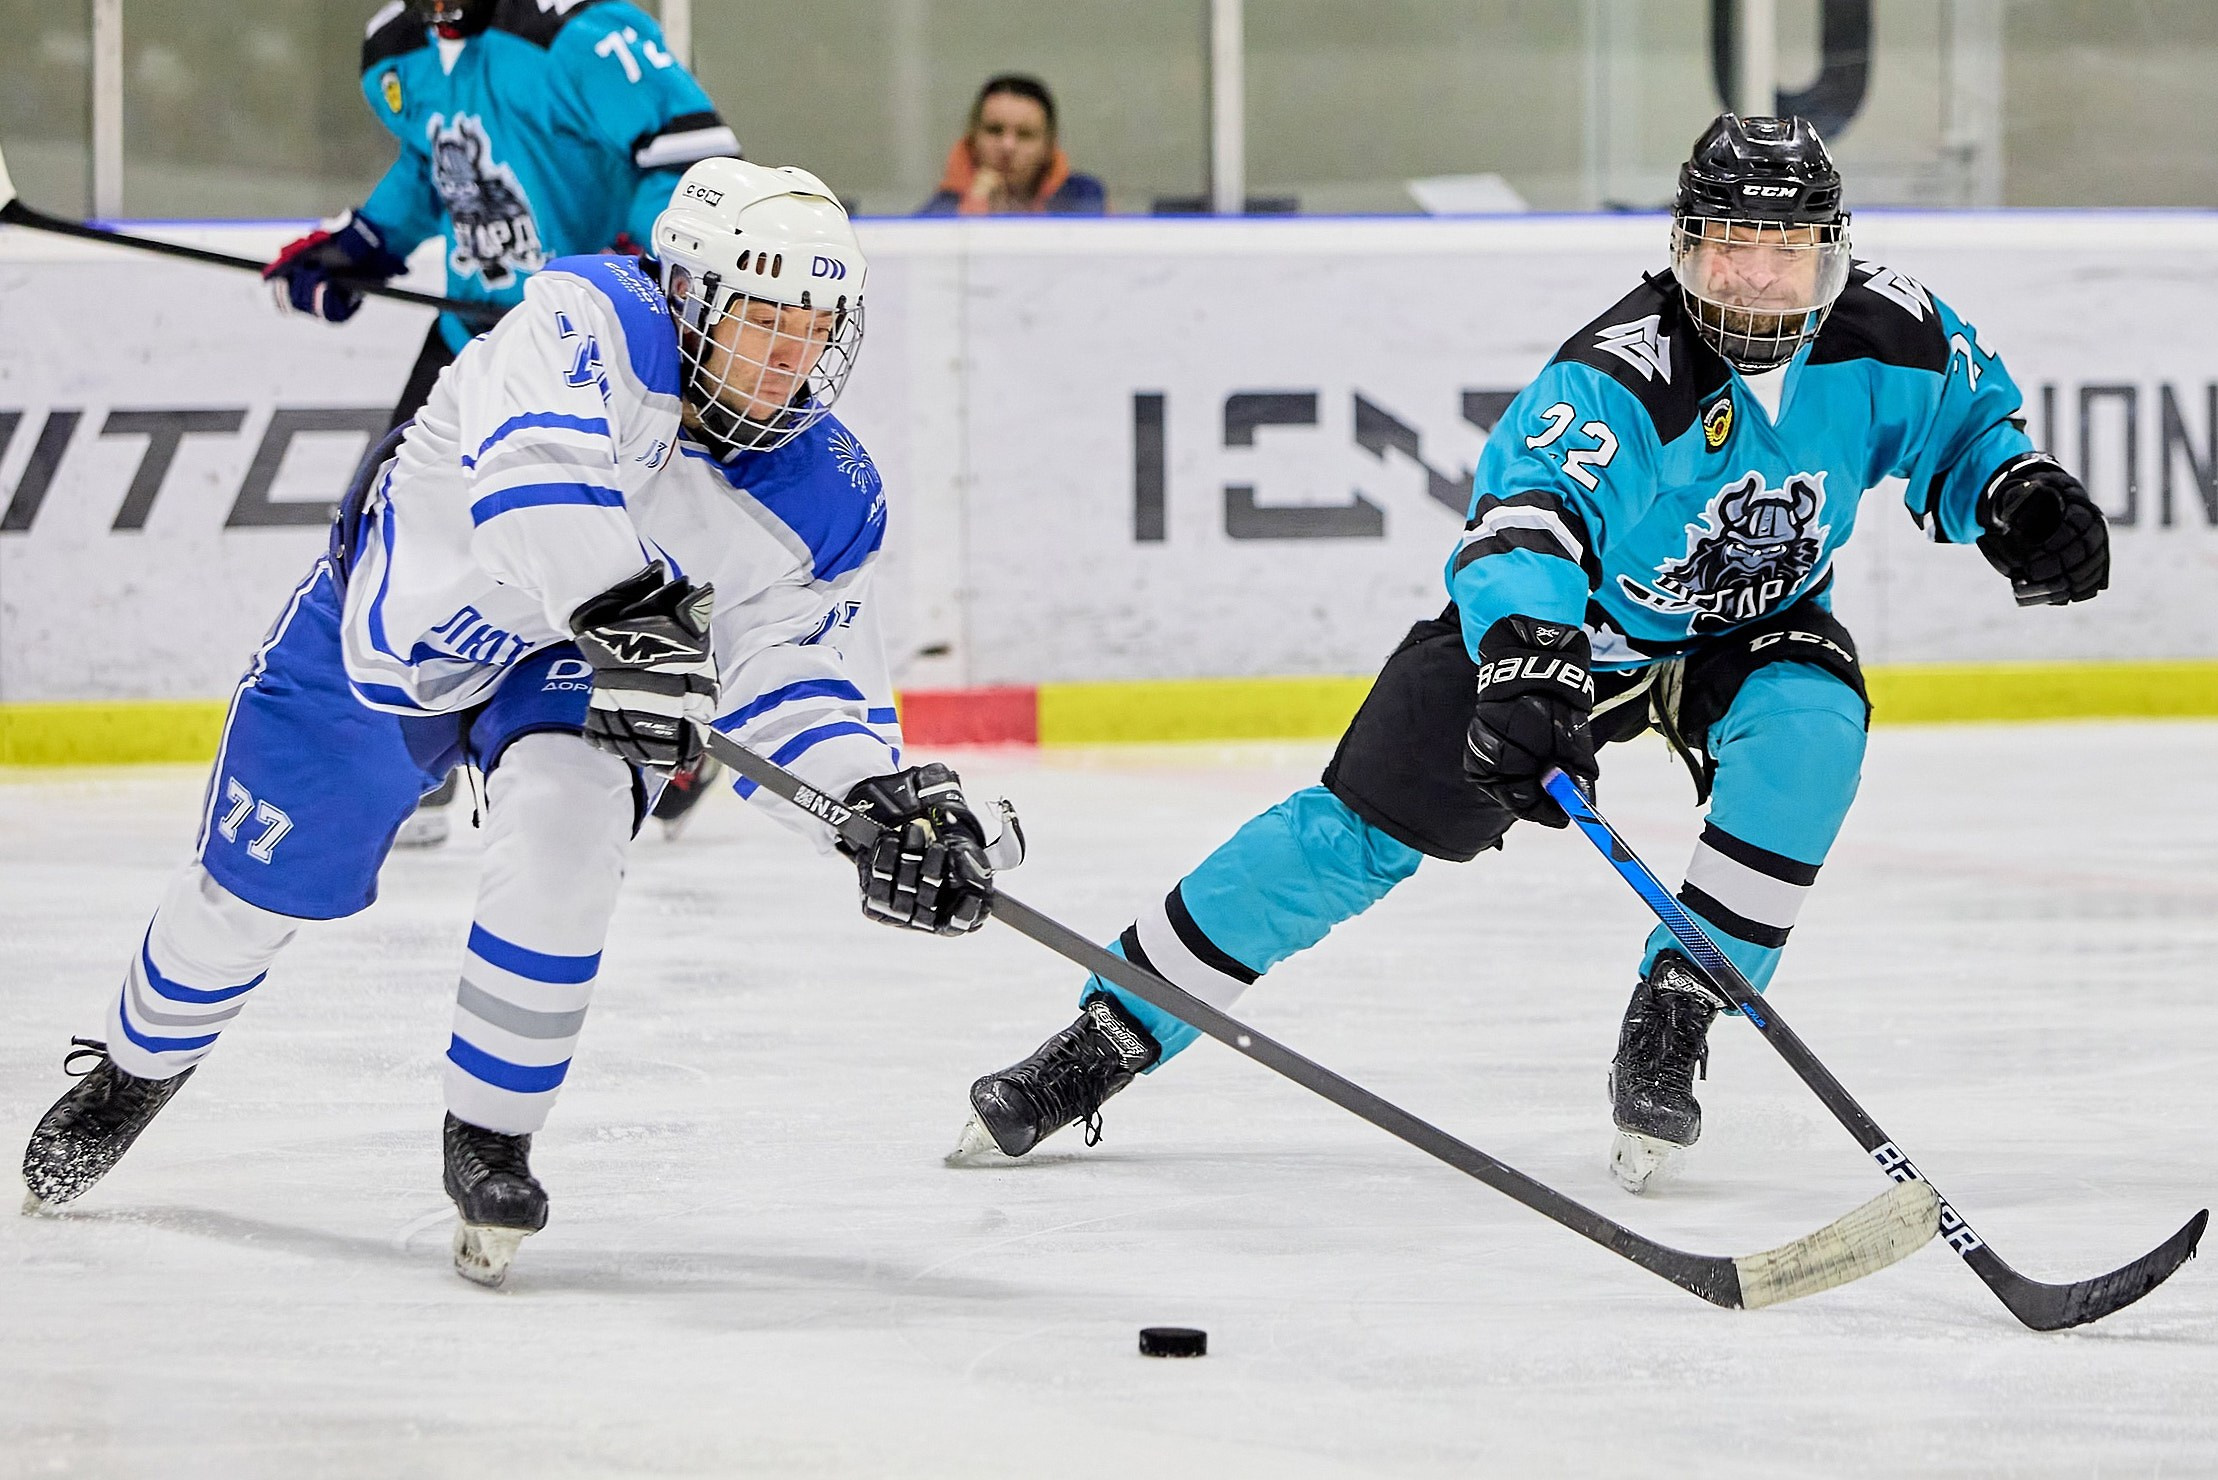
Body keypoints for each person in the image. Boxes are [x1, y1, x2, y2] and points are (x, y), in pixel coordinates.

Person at [951, 115, 2111, 1193]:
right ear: (1683, 246)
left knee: (1813, 732)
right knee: (1348, 835)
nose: (1755, 278)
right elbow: (1530, 516)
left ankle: (1678, 1006)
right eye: (1728, 248)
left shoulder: (1893, 330)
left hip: (1750, 627)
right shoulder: (1619, 370)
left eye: (1785, 249)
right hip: (1577, 628)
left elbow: (1963, 432)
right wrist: (1525, 658)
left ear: (1832, 253)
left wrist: (2010, 492)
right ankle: (1109, 1033)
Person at [21, 158, 1002, 1288]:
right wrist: (633, 612)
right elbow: (530, 476)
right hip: (396, 633)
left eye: (816, 326)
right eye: (765, 320)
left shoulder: (829, 496)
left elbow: (792, 679)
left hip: (576, 657)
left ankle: (491, 1137)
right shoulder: (583, 315)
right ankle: (136, 1066)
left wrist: (871, 806)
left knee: (569, 828)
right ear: (687, 296)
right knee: (244, 896)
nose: (792, 358)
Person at [264, 0, 744, 848]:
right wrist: (365, 243)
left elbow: (696, 160)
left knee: (603, 549)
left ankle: (676, 711)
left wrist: (640, 255)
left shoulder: (583, 35)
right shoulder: (398, 51)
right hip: (473, 345)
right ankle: (403, 760)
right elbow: (437, 168)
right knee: (391, 536)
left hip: (594, 348)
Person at [916, 74, 1106, 217]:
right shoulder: (940, 213)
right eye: (994, 130)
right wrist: (971, 213)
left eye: (1025, 135)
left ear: (1049, 146)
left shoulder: (1082, 198)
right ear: (972, 139)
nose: (1007, 146)